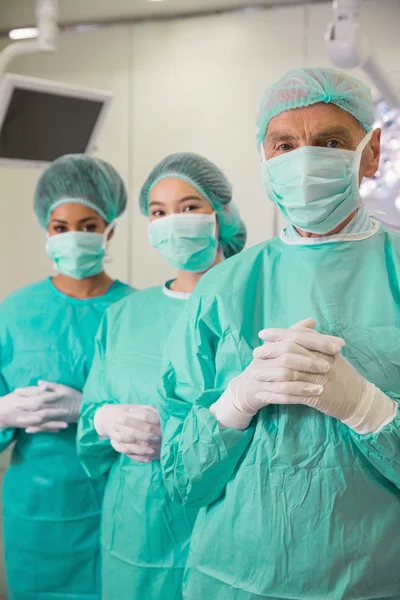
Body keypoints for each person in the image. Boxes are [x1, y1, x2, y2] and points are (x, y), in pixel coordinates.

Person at [159, 68, 400, 600]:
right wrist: (232, 406)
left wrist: (368, 408)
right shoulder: (222, 288)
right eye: (285, 144)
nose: (304, 160)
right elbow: (179, 478)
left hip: (375, 580)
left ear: (372, 151)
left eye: (331, 142)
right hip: (233, 578)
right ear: (265, 158)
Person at [77, 152, 246, 600]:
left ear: (220, 215)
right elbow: (90, 416)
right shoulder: (124, 316)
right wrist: (104, 420)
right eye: (159, 212)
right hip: (137, 532)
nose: (173, 222)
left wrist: (187, 438)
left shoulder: (253, 305)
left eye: (190, 207)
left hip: (230, 525)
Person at [0, 154, 134, 600]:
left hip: (119, 497)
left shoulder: (136, 312)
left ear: (110, 228)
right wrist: (2, 414)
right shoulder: (15, 311)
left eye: (89, 225)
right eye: (61, 227)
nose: (74, 236)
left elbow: (165, 409)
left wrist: (91, 410)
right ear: (47, 231)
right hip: (37, 509)